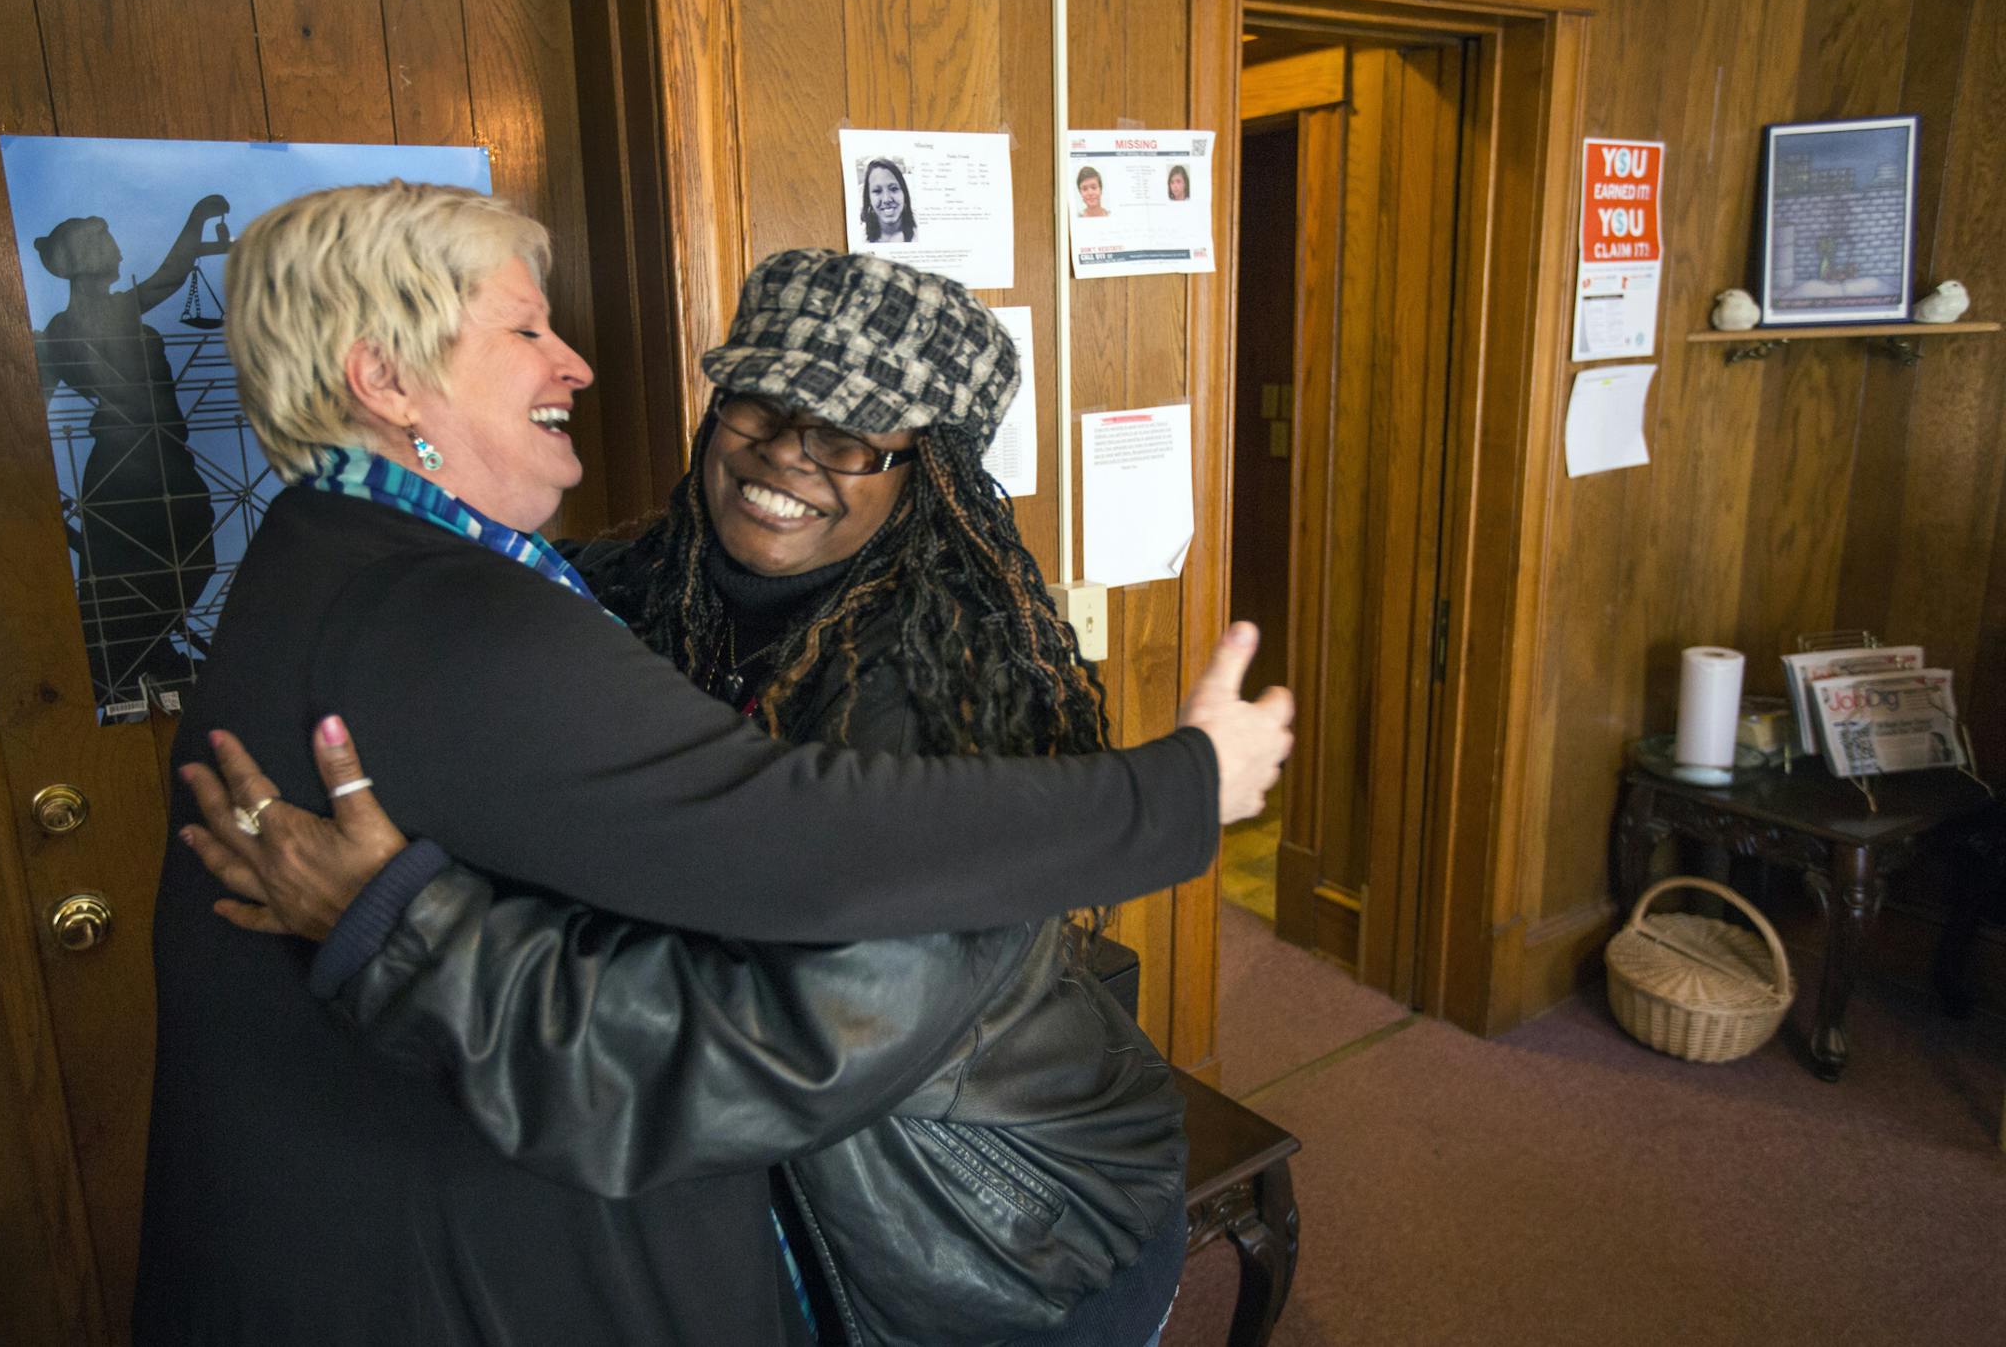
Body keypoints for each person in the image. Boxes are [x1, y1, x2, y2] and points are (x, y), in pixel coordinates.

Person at [134, 183, 1290, 1345]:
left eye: (848, 433)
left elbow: (781, 1043)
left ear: (927, 475)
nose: (787, 453)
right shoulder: (617, 582)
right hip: (782, 1189)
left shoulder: (953, 699)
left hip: (980, 1229)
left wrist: (402, 930)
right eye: (758, 404)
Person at [33, 196, 230, 704]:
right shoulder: (102, 315)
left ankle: (144, 657)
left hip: (143, 460)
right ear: (85, 258)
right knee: (178, 561)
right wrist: (195, 219)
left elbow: (38, 404)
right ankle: (139, 661)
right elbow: (169, 276)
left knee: (157, 569)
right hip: (139, 466)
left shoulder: (59, 330)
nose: (119, 249)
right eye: (106, 240)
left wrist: (201, 232)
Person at [860, 157, 918, 243]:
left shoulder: (922, 232)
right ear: (868, 198)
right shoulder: (860, 239)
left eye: (894, 189)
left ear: (904, 193)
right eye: (877, 191)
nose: (886, 199)